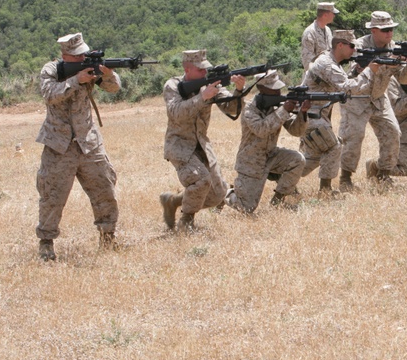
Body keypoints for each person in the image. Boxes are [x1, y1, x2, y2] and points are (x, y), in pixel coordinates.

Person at [35, 34, 122, 261]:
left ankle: (108, 236)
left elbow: (114, 88)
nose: (84, 57)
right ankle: (46, 243)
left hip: (89, 142)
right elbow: (49, 94)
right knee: (52, 195)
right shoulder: (51, 69)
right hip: (58, 144)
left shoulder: (91, 70)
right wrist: (76, 80)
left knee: (105, 189)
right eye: (78, 55)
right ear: (66, 55)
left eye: (84, 53)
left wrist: (108, 75)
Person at [159, 49, 245, 231]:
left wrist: (239, 90)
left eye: (206, 69)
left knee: (218, 193)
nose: (205, 73)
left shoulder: (210, 85)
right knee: (201, 180)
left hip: (202, 145)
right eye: (200, 70)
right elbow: (176, 113)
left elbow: (231, 108)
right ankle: (186, 221)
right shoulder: (173, 85)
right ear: (187, 68)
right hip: (180, 146)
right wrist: (202, 97)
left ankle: (173, 201)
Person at [338, 11, 407, 190]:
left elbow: (404, 79)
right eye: (385, 30)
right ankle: (346, 178)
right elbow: (348, 75)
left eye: (391, 29)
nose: (389, 33)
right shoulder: (357, 46)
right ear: (373, 30)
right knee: (354, 137)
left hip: (379, 97)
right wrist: (365, 66)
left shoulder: (394, 48)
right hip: (357, 99)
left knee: (393, 132)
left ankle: (383, 174)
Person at [300, 29, 375, 195]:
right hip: (310, 113)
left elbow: (345, 83)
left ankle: (281, 174)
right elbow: (347, 88)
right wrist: (371, 71)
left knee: (312, 157)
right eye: (352, 46)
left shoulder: (331, 61)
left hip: (316, 113)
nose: (355, 50)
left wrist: (357, 72)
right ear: (340, 45)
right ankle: (325, 190)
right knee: (334, 146)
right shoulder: (327, 63)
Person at [225, 70, 310, 213]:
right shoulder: (249, 109)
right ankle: (224, 193)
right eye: (274, 89)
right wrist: (284, 110)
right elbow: (261, 129)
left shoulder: (277, 106)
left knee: (297, 159)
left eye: (278, 89)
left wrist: (303, 113)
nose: (278, 93)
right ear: (261, 89)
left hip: (271, 155)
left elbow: (296, 131)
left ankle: (278, 200)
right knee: (246, 208)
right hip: (251, 161)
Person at [301, 2, 336, 70]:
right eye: (333, 13)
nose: (334, 16)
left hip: (328, 75)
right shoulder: (310, 32)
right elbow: (307, 63)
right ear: (325, 15)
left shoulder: (328, 30)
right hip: (314, 78)